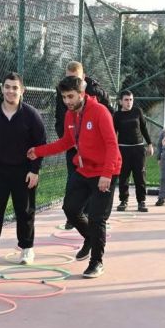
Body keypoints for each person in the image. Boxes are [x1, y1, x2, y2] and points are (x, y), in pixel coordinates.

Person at [29, 75, 121, 279]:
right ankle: (90, 237)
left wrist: (106, 174)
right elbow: (65, 142)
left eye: (70, 96)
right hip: (84, 169)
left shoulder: (100, 111)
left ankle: (96, 262)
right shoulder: (70, 115)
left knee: (97, 218)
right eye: (64, 97)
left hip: (106, 170)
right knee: (70, 208)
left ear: (81, 93)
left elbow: (112, 145)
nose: (67, 101)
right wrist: (38, 151)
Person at [0, 72, 46, 265]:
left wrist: (35, 170)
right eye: (7, 87)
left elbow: (40, 144)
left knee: (25, 211)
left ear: (22, 90)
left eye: (15, 88)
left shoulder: (31, 115)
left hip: (24, 170)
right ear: (2, 89)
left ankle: (27, 249)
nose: (10, 91)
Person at [55, 61, 112, 229]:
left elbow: (109, 117)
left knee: (95, 182)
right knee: (73, 179)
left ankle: (94, 217)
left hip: (94, 149)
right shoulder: (62, 91)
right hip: (73, 146)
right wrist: (69, 140)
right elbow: (59, 118)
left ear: (83, 77)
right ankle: (74, 216)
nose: (71, 82)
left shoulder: (96, 91)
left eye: (75, 78)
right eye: (68, 77)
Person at [113, 90, 153, 212]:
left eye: (131, 99)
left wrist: (150, 144)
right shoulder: (117, 115)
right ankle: (123, 201)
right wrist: (114, 149)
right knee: (123, 176)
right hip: (123, 149)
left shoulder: (137, 111)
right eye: (126, 100)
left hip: (138, 149)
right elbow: (113, 133)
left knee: (140, 176)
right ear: (121, 101)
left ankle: (141, 201)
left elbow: (143, 128)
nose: (129, 102)